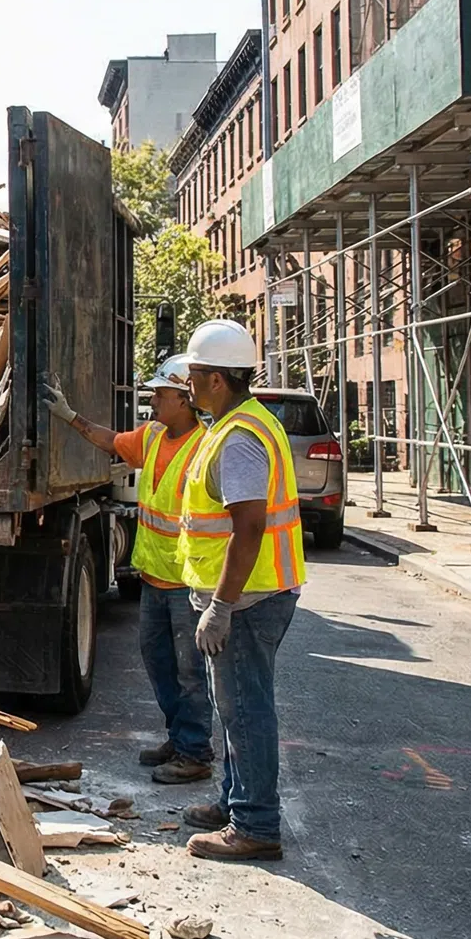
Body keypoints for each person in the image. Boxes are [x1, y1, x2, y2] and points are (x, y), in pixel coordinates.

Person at [42, 356, 213, 785]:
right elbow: (112, 441)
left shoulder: (205, 447)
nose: (152, 400)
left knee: (190, 672)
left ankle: (195, 751)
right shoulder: (153, 436)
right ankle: (180, 738)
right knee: (159, 663)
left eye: (160, 394)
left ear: (184, 399)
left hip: (187, 582)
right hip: (154, 578)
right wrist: (68, 415)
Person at [175, 318, 306, 862]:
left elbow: (248, 526)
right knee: (233, 707)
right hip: (250, 594)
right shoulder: (236, 423)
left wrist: (221, 606)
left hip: (249, 599)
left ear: (217, 379)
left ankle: (254, 824)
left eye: (193, 375)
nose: (186, 384)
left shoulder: (239, 438)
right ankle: (236, 800)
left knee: (246, 710)